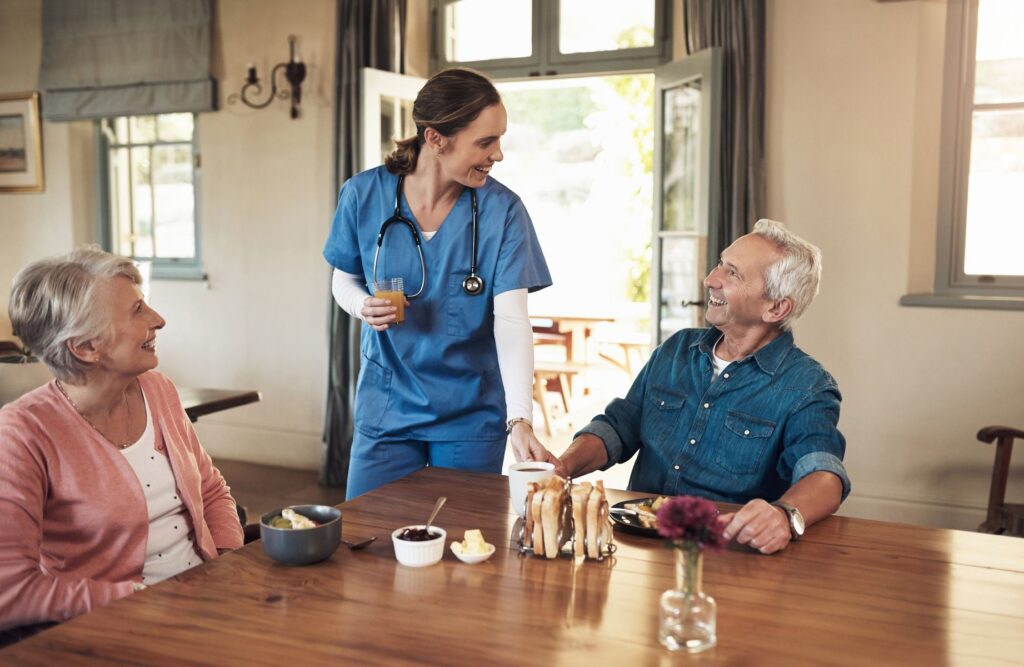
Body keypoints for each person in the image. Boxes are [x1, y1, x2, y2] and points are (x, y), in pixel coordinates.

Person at [543, 219, 850, 554]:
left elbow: (824, 476)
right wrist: (562, 467)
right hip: (639, 545)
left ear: (776, 307)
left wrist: (785, 515)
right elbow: (619, 426)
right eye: (721, 263)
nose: (710, 279)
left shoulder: (808, 386)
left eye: (732, 273)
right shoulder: (676, 350)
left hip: (726, 553)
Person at [323, 68, 552, 499]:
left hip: (469, 414)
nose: (498, 154)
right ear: (435, 139)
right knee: (366, 543)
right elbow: (344, 278)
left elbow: (512, 320)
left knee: (461, 551)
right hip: (387, 407)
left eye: (499, 139)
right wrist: (360, 306)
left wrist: (520, 418)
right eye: (485, 142)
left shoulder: (504, 212)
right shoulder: (363, 194)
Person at [0, 248, 243, 632]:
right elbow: (10, 591)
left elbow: (211, 491)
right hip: (117, 628)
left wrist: (230, 562)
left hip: (207, 603)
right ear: (85, 348)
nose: (159, 320)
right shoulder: (22, 433)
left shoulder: (158, 389)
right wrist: (133, 599)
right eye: (137, 311)